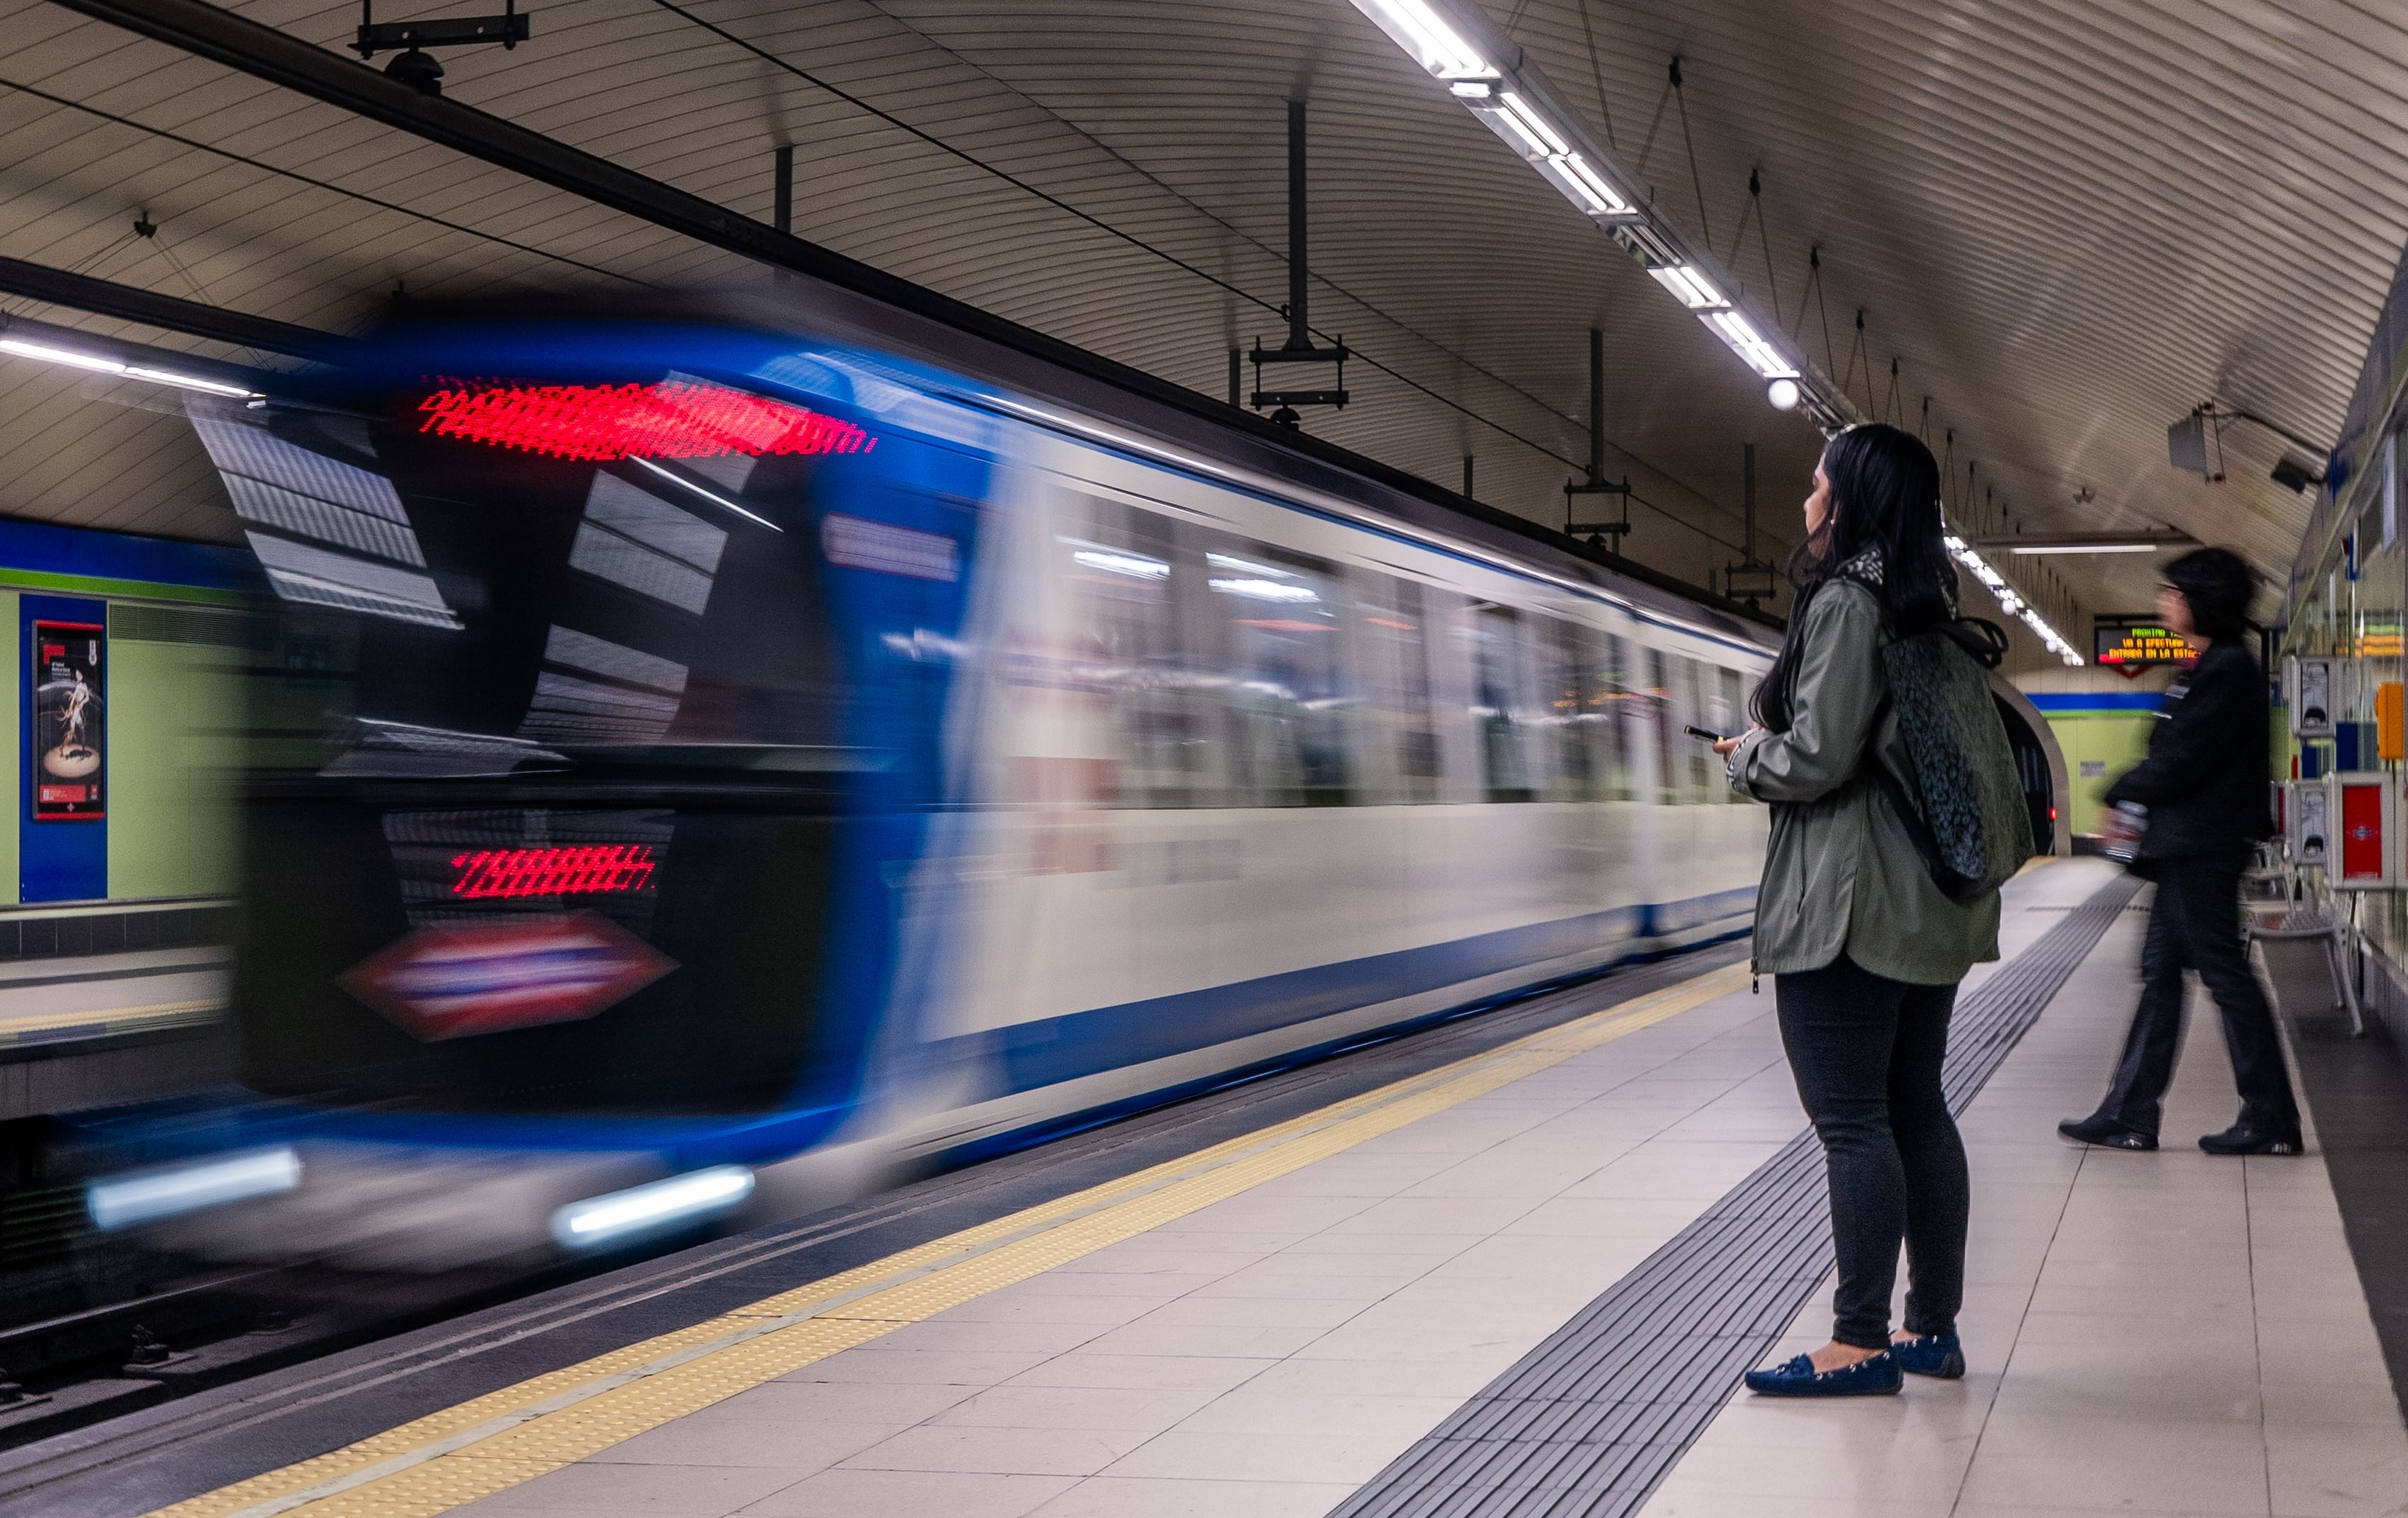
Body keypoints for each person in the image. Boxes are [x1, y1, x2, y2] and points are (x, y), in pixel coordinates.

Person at [1714, 423, 2002, 1398]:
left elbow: (1817, 757)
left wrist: (1743, 754)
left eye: (1815, 482)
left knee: (1851, 1122)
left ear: (1847, 497)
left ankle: (1856, 1340)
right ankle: (1929, 1329)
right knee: (1916, 1108)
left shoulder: (1847, 600)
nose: (1805, 499)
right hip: (1925, 906)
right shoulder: (1930, 606)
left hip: (1849, 907)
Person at [2058, 549, 2300, 1156]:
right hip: (2187, 848)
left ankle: (2270, 1116)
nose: (2165, 602)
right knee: (2162, 973)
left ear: (2199, 602)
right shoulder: (2208, 668)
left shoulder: (2226, 671)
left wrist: (2119, 789)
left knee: (2224, 975)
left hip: (2203, 848)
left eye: (2174, 593)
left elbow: (2182, 758)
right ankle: (2130, 1112)